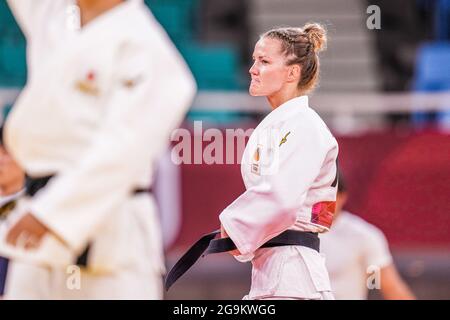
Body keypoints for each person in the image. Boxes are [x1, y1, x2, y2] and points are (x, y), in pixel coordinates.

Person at [0, 0, 196, 299]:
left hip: (110, 235)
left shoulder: (146, 49)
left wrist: (52, 213)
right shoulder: (55, 18)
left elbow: (123, 151)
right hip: (36, 231)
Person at [218, 24, 339, 300]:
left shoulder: (306, 126)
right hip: (275, 270)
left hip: (295, 276)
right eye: (253, 60)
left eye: (264, 61)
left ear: (292, 73)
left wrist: (234, 226)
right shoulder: (279, 125)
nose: (253, 68)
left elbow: (282, 199)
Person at [320, 173, 416, 300]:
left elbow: (390, 287)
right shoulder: (292, 231)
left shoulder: (364, 236)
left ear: (342, 197)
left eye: (328, 196)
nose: (320, 202)